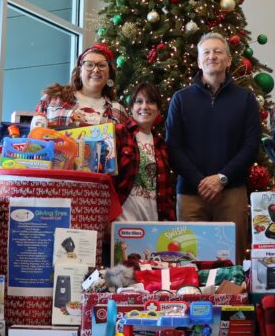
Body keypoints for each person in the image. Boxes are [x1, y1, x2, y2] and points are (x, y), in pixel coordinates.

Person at [166, 32, 261, 255]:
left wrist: (222, 178)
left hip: (232, 193)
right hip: (190, 194)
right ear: (199, 61)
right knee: (189, 262)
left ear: (228, 60)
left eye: (218, 51)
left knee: (233, 261)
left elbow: (251, 145)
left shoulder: (245, 98)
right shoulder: (181, 99)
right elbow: (173, 146)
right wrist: (201, 182)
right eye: (206, 52)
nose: (212, 56)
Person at [114, 82, 175, 222]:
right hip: (121, 224)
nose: (144, 106)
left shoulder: (161, 145)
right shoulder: (119, 133)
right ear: (131, 108)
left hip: (152, 226)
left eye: (151, 102)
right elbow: (107, 182)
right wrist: (107, 220)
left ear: (158, 109)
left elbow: (166, 194)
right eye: (139, 101)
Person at [34, 43, 128, 128]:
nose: (96, 70)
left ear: (109, 74)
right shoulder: (53, 98)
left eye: (102, 65)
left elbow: (125, 145)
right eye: (89, 65)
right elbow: (31, 134)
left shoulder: (118, 111)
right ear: (80, 72)